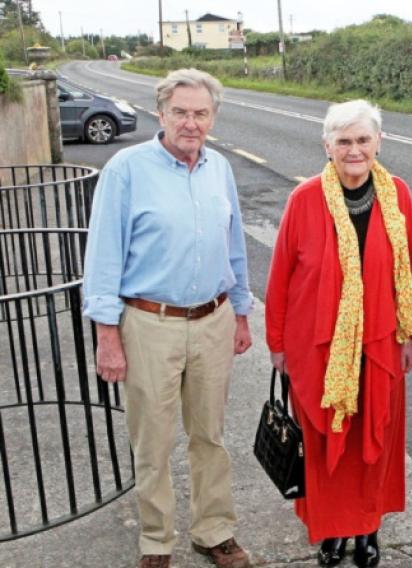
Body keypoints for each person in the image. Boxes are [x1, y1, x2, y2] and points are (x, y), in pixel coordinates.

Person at [82, 68, 254, 568]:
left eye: (201, 113)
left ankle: (214, 531)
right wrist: (106, 335)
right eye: (180, 112)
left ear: (213, 117)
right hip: (147, 324)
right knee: (153, 441)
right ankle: (156, 541)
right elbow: (103, 257)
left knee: (210, 437)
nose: (190, 123)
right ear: (161, 113)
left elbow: (234, 245)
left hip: (213, 321)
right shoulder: (126, 168)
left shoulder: (219, 167)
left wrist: (241, 312)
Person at [265, 99, 412, 567]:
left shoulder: (398, 193)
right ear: (327, 146)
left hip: (380, 343)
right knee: (323, 444)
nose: (354, 150)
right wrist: (277, 343)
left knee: (372, 442)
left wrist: (410, 336)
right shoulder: (305, 198)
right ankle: (332, 530)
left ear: (379, 141)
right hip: (316, 348)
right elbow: (280, 278)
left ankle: (368, 527)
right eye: (344, 141)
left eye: (362, 139)